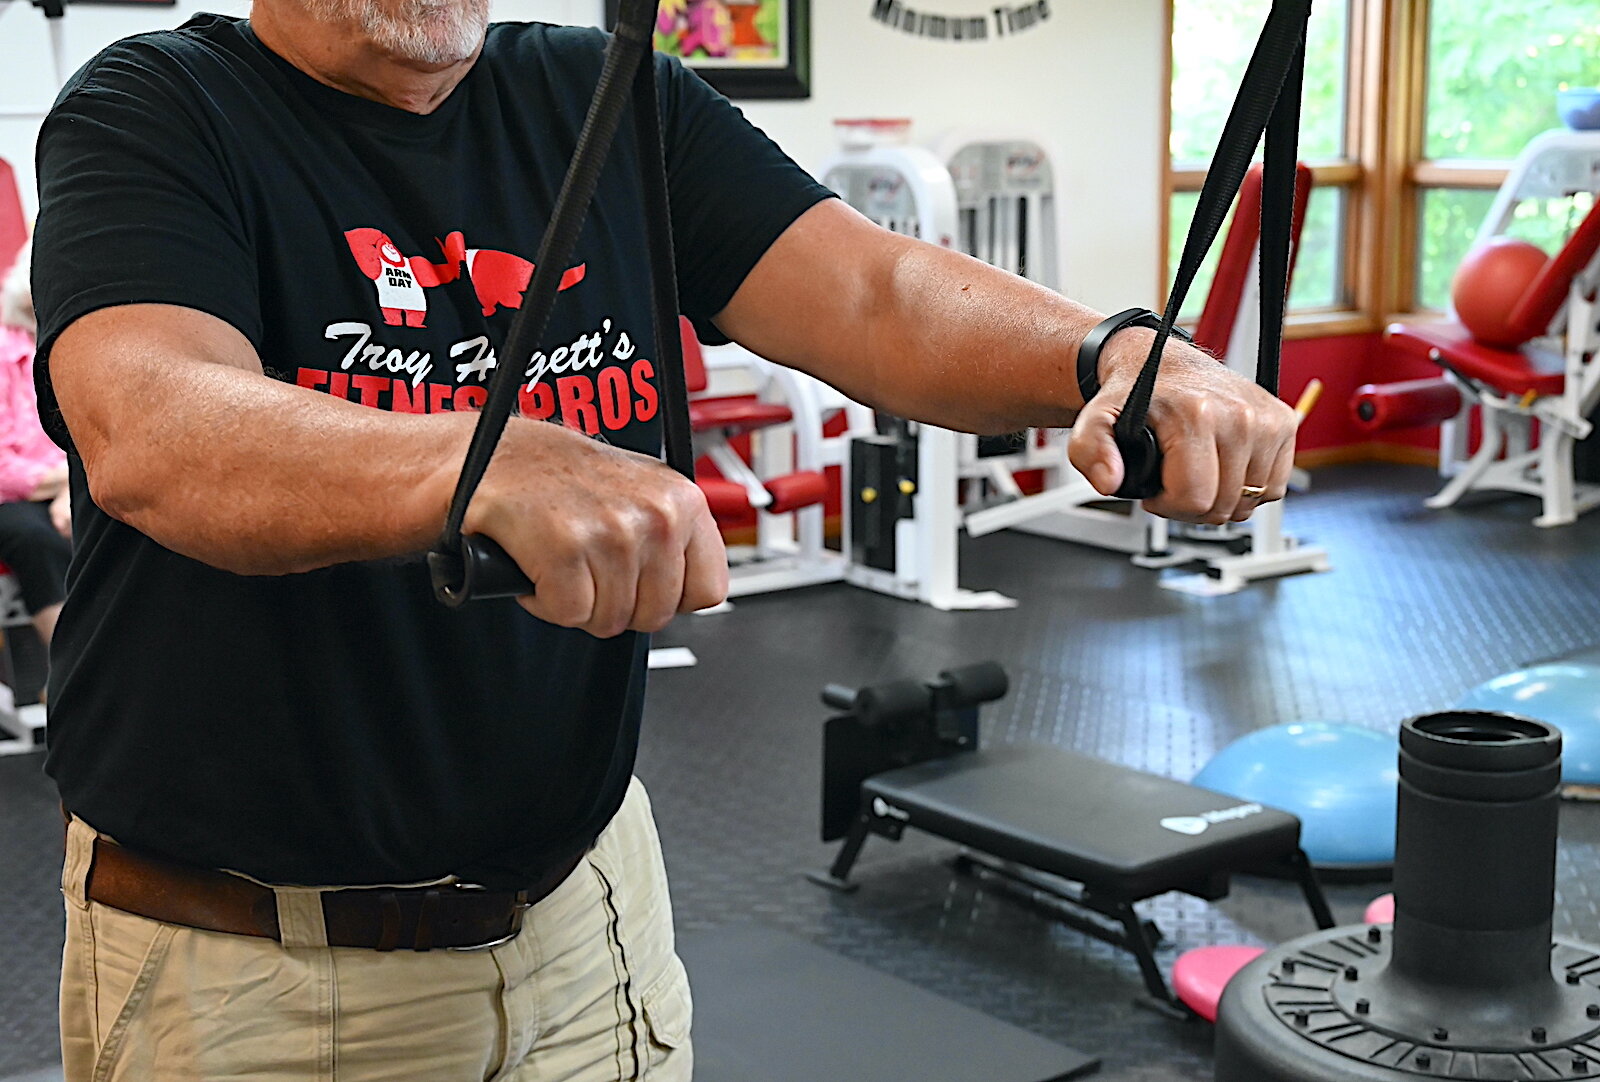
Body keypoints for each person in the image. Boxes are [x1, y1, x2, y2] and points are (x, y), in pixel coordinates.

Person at [29, 1, 1299, 1080]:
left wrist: (1115, 351)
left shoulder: (606, 95)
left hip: (588, 919)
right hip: (260, 969)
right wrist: (486, 459)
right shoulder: (154, 109)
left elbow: (872, 290)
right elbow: (154, 424)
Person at [0, 240, 71, 650]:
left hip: (66, 488)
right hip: (12, 500)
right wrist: (66, 484)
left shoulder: (74, 349)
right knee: (34, 537)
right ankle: (68, 663)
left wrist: (71, 490)